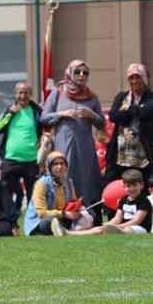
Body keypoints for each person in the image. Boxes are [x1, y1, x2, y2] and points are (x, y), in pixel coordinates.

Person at [39, 60, 104, 221]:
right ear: (70, 73)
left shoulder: (91, 96)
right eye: (77, 72)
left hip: (85, 147)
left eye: (85, 73)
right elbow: (43, 118)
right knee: (64, 177)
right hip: (63, 145)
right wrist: (62, 114)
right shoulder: (58, 92)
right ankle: (64, 217)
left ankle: (88, 216)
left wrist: (91, 115)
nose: (81, 75)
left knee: (86, 179)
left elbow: (101, 122)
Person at [106, 63, 153, 193]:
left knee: (143, 185)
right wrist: (134, 111)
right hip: (121, 152)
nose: (134, 81)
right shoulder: (121, 97)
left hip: (144, 152)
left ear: (144, 79)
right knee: (119, 185)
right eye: (131, 78)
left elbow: (147, 112)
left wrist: (126, 113)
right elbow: (113, 116)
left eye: (138, 77)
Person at [0, 81, 42, 229]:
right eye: (20, 92)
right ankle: (11, 223)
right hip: (11, 159)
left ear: (30, 95)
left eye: (26, 92)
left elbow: (43, 129)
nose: (23, 96)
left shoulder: (37, 111)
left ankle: (32, 225)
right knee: (7, 192)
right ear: (15, 94)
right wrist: (10, 114)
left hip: (31, 160)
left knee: (32, 195)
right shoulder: (10, 109)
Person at [25, 150, 96, 236]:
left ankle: (67, 231)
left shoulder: (69, 182)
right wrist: (64, 214)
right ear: (49, 167)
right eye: (55, 164)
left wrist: (78, 208)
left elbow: (73, 202)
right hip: (42, 220)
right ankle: (73, 232)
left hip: (63, 217)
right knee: (48, 223)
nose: (60, 166)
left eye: (62, 163)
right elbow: (42, 214)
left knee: (90, 214)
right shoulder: (41, 184)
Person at [103, 170, 150, 234]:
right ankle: (84, 233)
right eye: (128, 186)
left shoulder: (144, 201)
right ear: (124, 186)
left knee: (128, 229)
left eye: (134, 185)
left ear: (141, 185)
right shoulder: (123, 200)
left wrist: (118, 227)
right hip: (123, 226)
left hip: (140, 228)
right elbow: (117, 218)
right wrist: (109, 225)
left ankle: (118, 232)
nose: (131, 188)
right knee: (100, 229)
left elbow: (136, 221)